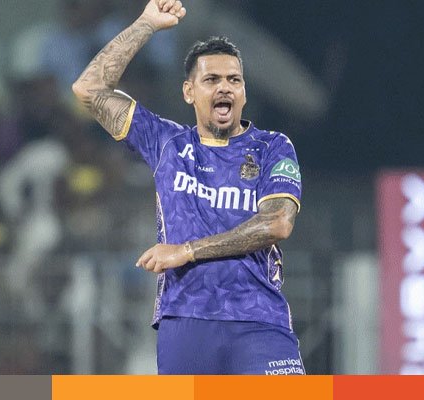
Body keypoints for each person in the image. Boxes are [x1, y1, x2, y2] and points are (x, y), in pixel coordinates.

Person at [72, 0, 305, 375]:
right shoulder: (165, 142)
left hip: (259, 319)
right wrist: (146, 24)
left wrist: (188, 250)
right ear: (188, 91)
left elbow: (277, 223)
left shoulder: (272, 147)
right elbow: (88, 88)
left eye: (234, 80)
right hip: (186, 319)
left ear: (244, 92)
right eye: (211, 80)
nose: (224, 88)